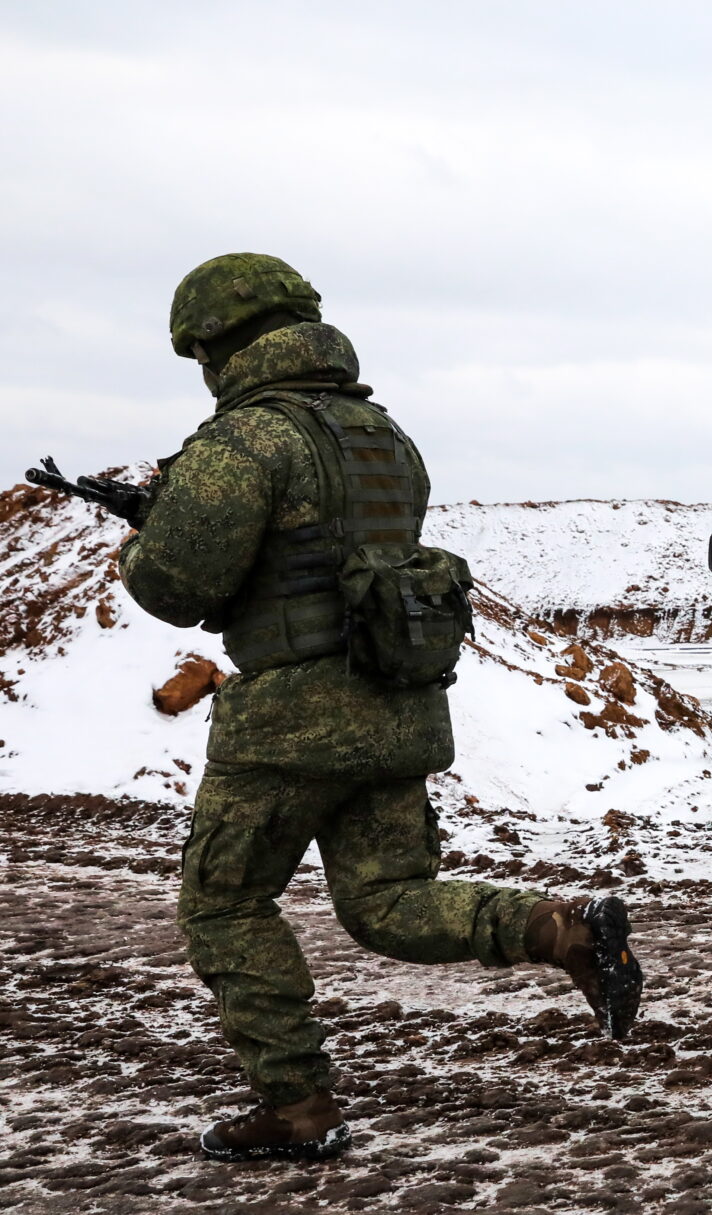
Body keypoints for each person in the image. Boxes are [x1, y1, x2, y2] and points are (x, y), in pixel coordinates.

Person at [121, 253, 644, 1163]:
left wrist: (144, 537)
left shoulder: (244, 440)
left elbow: (176, 584)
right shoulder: (385, 437)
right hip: (396, 706)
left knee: (227, 903)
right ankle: (561, 928)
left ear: (219, 341)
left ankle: (294, 1105)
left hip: (289, 719)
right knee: (387, 899)